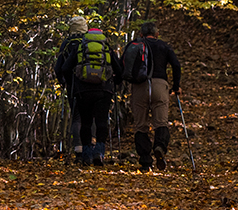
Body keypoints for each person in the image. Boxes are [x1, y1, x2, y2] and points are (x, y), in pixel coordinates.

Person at [58, 22, 122, 166]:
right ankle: (99, 152)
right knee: (101, 121)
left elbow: (65, 67)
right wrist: (116, 81)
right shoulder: (106, 47)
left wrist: (71, 82)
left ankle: (86, 155)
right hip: (104, 89)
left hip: (83, 90)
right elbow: (119, 69)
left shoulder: (80, 47)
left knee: (85, 122)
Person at [130, 22, 181, 172]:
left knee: (141, 125)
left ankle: (145, 161)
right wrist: (176, 86)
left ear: (141, 34)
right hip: (160, 85)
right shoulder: (164, 46)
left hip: (140, 86)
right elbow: (176, 65)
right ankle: (159, 146)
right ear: (156, 34)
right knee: (161, 122)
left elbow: (123, 65)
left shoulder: (135, 45)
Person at [53, 15, 88, 161]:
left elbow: (59, 66)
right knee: (90, 117)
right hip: (92, 85)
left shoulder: (67, 43)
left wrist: (62, 81)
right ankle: (92, 149)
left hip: (73, 85)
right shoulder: (90, 42)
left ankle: (78, 150)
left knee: (77, 117)